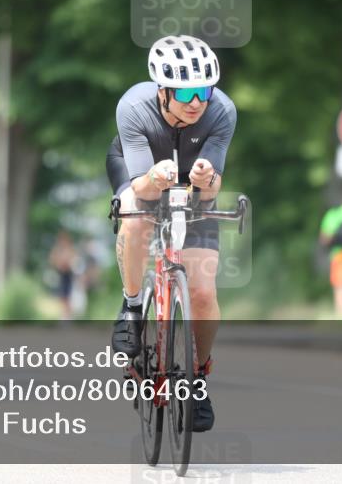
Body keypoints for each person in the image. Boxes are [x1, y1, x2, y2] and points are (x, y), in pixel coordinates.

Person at [106, 35, 236, 432]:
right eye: (186, 92)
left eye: (204, 91)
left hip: (192, 186)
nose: (197, 101)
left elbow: (210, 192)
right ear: (163, 91)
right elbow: (142, 191)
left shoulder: (223, 112)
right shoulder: (133, 107)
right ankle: (131, 307)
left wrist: (205, 178)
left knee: (202, 289)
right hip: (142, 173)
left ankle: (198, 378)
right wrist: (153, 178)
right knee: (135, 218)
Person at [49, 230, 78, 320]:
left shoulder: (70, 249)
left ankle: (67, 317)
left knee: (67, 297)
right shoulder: (58, 250)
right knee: (62, 297)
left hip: (68, 275)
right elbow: (52, 260)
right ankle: (64, 316)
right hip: (60, 275)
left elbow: (73, 261)